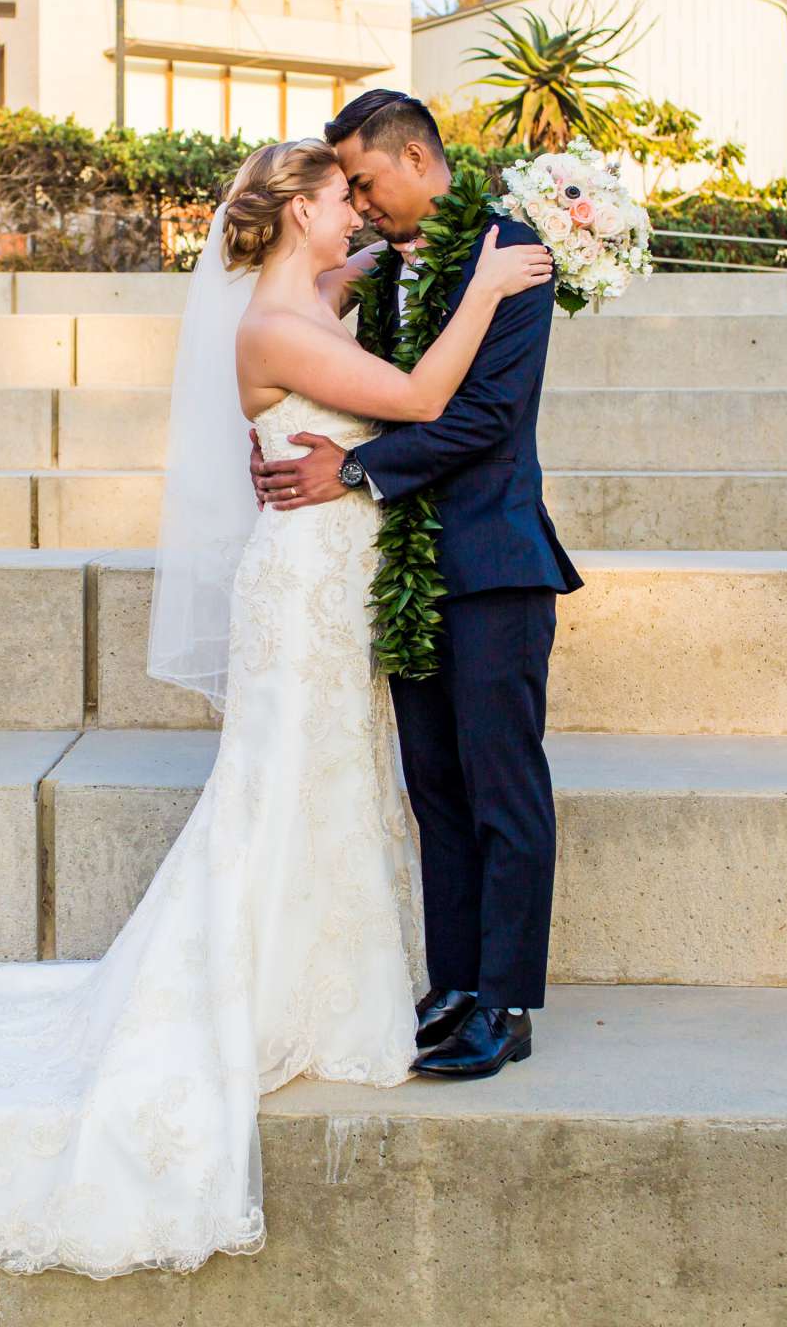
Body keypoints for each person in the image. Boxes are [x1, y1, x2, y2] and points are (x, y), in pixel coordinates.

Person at [0, 138, 553, 1279]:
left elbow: (368, 273)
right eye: (342, 197)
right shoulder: (274, 327)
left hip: (337, 583)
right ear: (299, 212)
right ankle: (257, 986)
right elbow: (421, 396)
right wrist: (487, 286)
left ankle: (347, 981)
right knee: (289, 783)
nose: (358, 211)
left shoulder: (307, 292)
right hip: (302, 590)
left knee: (335, 782)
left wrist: (439, 249)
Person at [254, 89, 583, 1080]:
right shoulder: (390, 271)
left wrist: (352, 470)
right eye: (345, 187)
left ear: (414, 158)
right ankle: (455, 985)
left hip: (495, 565)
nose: (358, 201)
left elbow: (482, 417)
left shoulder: (509, 255)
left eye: (363, 180)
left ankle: (508, 1001)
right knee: (435, 788)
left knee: (501, 788)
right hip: (408, 566)